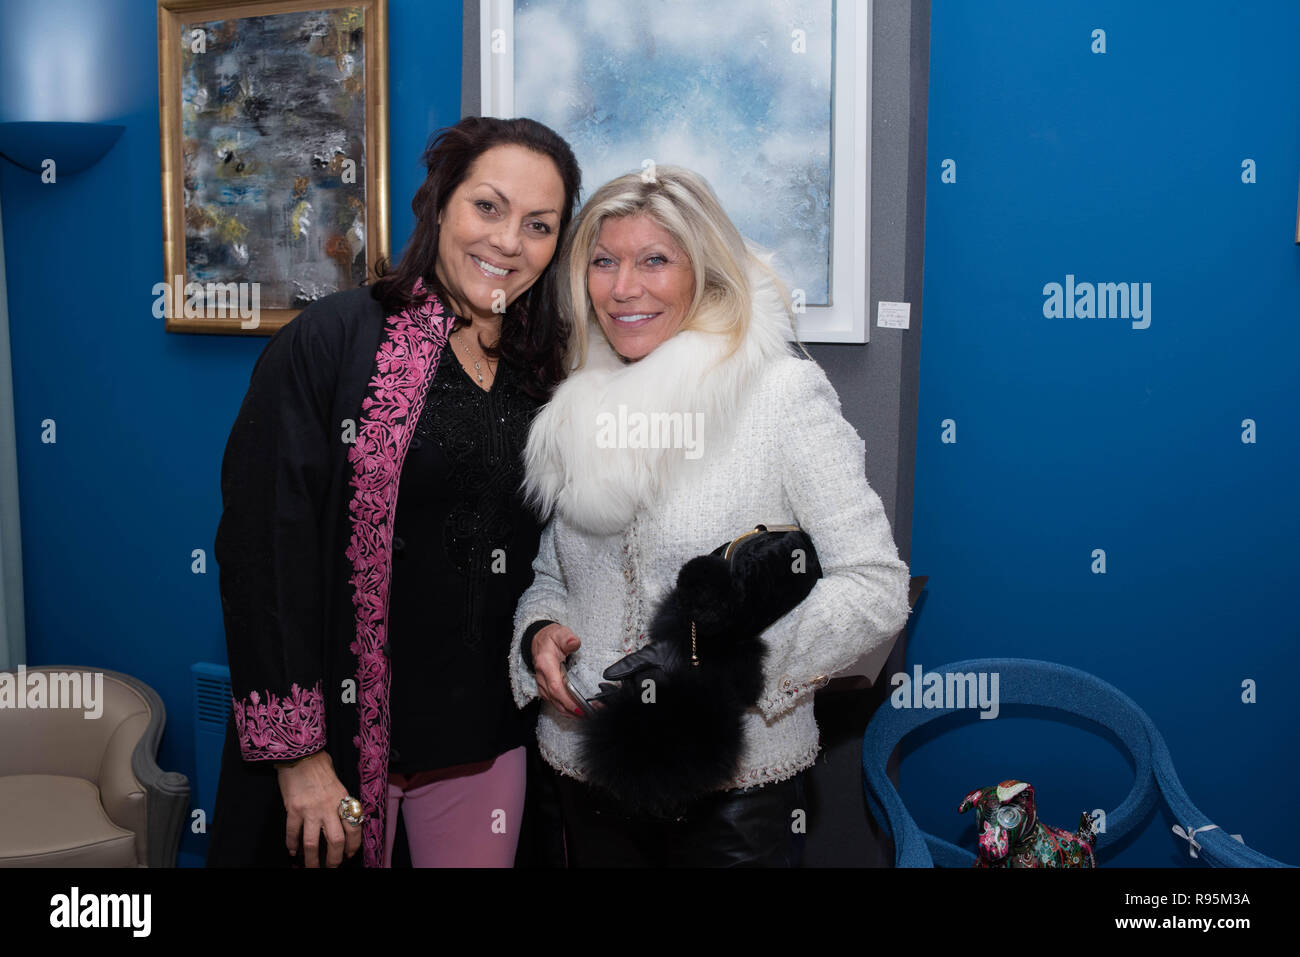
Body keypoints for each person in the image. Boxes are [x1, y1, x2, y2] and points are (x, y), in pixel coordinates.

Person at [510, 166, 912, 867]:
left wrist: (725, 664)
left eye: (654, 259)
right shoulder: (581, 402)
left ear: (705, 271)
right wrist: (538, 632)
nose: (623, 287)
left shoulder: (780, 396)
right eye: (604, 261)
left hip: (733, 794)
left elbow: (875, 585)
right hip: (582, 770)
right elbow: (554, 571)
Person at [207, 116, 581, 868]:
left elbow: (560, 548)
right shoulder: (333, 340)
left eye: (538, 224)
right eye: (489, 206)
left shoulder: (550, 374)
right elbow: (262, 549)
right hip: (344, 746)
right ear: (440, 204)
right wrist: (297, 757)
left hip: (486, 745)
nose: (509, 241)